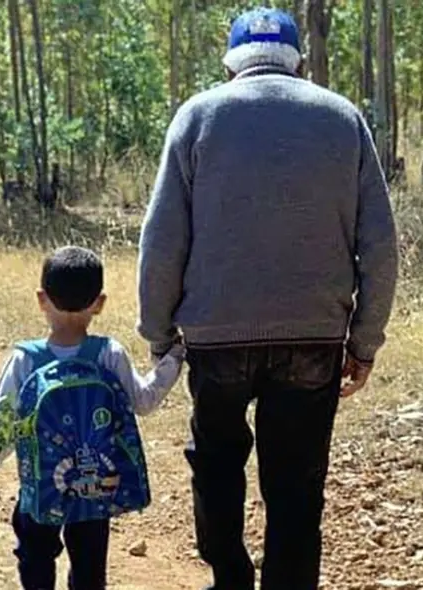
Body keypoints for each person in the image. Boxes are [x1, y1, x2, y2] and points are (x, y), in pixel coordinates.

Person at [136, 7, 398, 590]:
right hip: (314, 338)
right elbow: (380, 245)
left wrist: (159, 334)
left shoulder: (198, 115)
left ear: (231, 66)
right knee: (297, 484)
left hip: (217, 338)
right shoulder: (342, 117)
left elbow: (163, 240)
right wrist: (364, 342)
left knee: (216, 464)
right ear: (298, 63)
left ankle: (230, 578)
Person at [0, 245, 186, 590]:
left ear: (41, 299)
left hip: (40, 487)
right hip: (94, 488)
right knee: (89, 564)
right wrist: (173, 359)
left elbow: (0, 426)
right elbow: (144, 401)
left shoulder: (25, 359)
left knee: (35, 555)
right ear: (99, 303)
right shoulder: (108, 353)